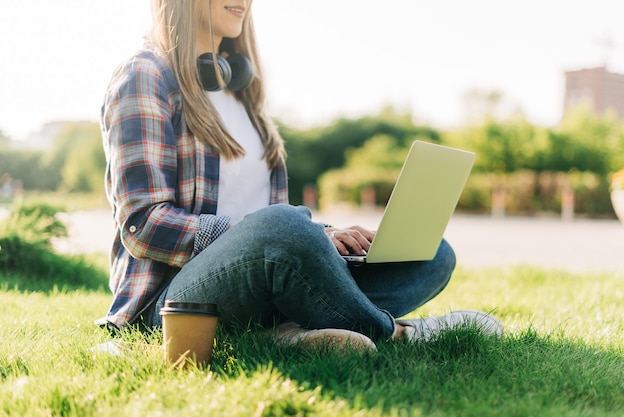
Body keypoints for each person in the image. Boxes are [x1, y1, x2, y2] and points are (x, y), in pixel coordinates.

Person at [98, 0, 502, 352]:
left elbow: (270, 227)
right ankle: (396, 333)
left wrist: (328, 235)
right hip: (172, 305)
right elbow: (143, 224)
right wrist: (284, 232)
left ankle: (280, 333)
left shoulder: (241, 90)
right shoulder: (145, 75)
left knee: (430, 254)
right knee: (286, 226)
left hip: (265, 271)